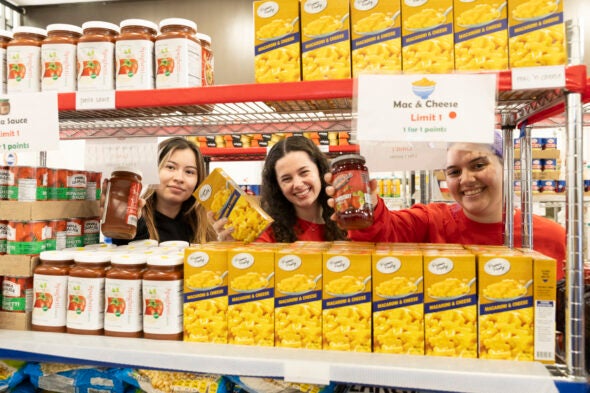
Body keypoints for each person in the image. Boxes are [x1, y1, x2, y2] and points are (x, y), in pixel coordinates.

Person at [326, 135, 567, 281]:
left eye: (478, 165)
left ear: (506, 167)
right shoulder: (431, 220)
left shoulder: (549, 235)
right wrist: (366, 208)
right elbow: (383, 231)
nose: (466, 179)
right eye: (454, 172)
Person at [212, 136, 347, 243]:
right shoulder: (267, 233)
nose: (298, 184)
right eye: (287, 179)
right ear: (277, 185)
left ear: (320, 170)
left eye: (304, 172)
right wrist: (234, 248)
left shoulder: (347, 218)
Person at [109, 137, 216, 245]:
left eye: (189, 172)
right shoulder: (137, 217)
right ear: (153, 171)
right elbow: (127, 251)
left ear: (198, 180)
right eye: (170, 167)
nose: (179, 178)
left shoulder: (207, 224)